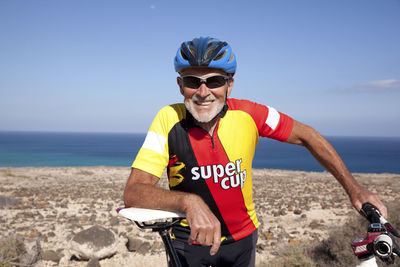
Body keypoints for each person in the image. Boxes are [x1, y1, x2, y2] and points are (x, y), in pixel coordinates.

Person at [123, 36, 387, 267]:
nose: (203, 92)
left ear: (230, 84)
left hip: (243, 240)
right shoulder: (168, 118)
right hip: (189, 240)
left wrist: (355, 189)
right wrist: (188, 202)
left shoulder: (249, 113)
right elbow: (134, 192)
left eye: (214, 81)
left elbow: (308, 135)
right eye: (193, 81)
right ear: (181, 85)